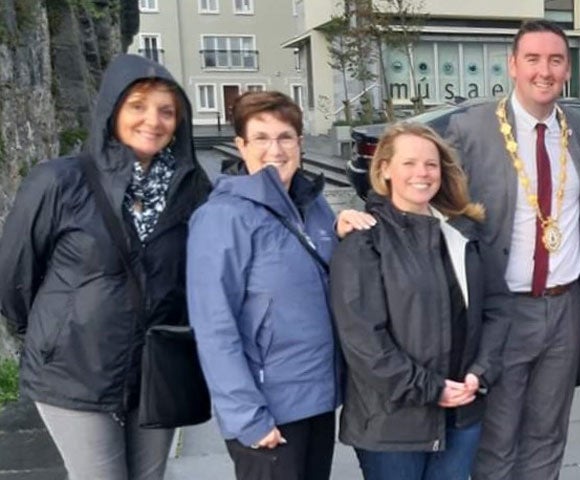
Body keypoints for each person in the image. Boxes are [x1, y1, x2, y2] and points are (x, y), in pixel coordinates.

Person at [0, 54, 211, 480]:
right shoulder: (59, 181)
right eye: (138, 105)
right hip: (74, 370)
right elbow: (13, 276)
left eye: (166, 110)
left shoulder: (192, 190)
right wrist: (49, 338)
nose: (153, 120)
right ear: (112, 109)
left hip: (155, 370)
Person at [442, 20, 580, 480]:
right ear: (513, 65)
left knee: (549, 432)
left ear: (568, 68)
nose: (544, 70)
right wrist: (366, 215)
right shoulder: (471, 129)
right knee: (498, 436)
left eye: (555, 60)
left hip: (564, 308)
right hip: (504, 308)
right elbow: (423, 186)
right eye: (532, 59)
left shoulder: (571, 130)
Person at [187, 91, 344, 480]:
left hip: (318, 401)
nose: (275, 148)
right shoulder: (222, 217)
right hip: (267, 409)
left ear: (300, 143)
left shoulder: (315, 207)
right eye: (260, 137)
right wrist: (247, 416)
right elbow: (213, 326)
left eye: (286, 136)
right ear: (241, 145)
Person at [330, 122, 494, 480]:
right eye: (409, 163)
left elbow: (491, 314)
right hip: (393, 426)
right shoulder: (364, 240)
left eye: (431, 164)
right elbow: (364, 343)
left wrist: (480, 372)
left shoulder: (462, 234)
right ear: (385, 169)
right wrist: (431, 389)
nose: (422, 173)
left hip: (462, 413)